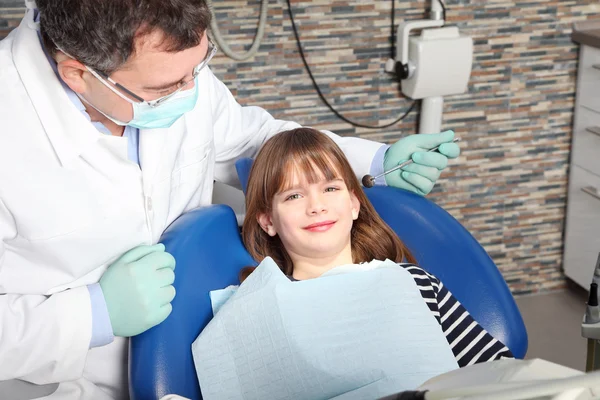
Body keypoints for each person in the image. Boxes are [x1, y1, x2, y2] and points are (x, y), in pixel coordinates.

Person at [0, 0, 459, 398]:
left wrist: (371, 162)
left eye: (198, 68)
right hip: (73, 385)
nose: (192, 92)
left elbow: (250, 141)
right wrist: (92, 313)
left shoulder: (169, 68)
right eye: (165, 90)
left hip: (208, 349)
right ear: (78, 75)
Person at [241, 127, 513, 368]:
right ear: (267, 221)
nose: (317, 206)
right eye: (294, 195)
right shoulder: (263, 312)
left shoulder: (416, 285)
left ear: (354, 204)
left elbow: (500, 374)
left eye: (331, 189)